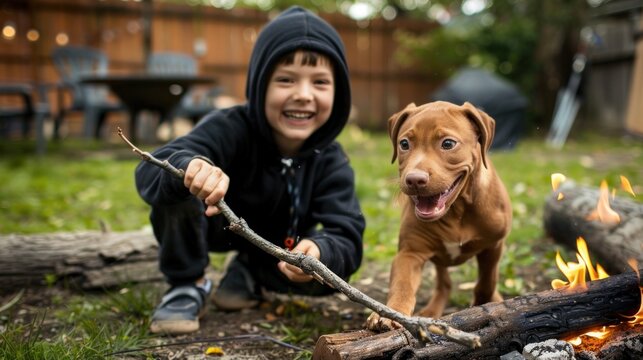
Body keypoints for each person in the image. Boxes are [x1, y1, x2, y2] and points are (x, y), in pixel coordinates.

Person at [135, 6, 365, 335]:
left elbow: (347, 234)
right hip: (214, 227)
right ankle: (187, 284)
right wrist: (193, 168)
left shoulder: (331, 159)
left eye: (320, 82)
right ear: (260, 85)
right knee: (174, 180)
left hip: (278, 249)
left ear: (338, 93)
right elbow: (155, 165)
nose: (303, 95)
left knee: (327, 279)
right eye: (285, 80)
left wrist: (321, 250)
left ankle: (249, 272)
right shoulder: (230, 127)